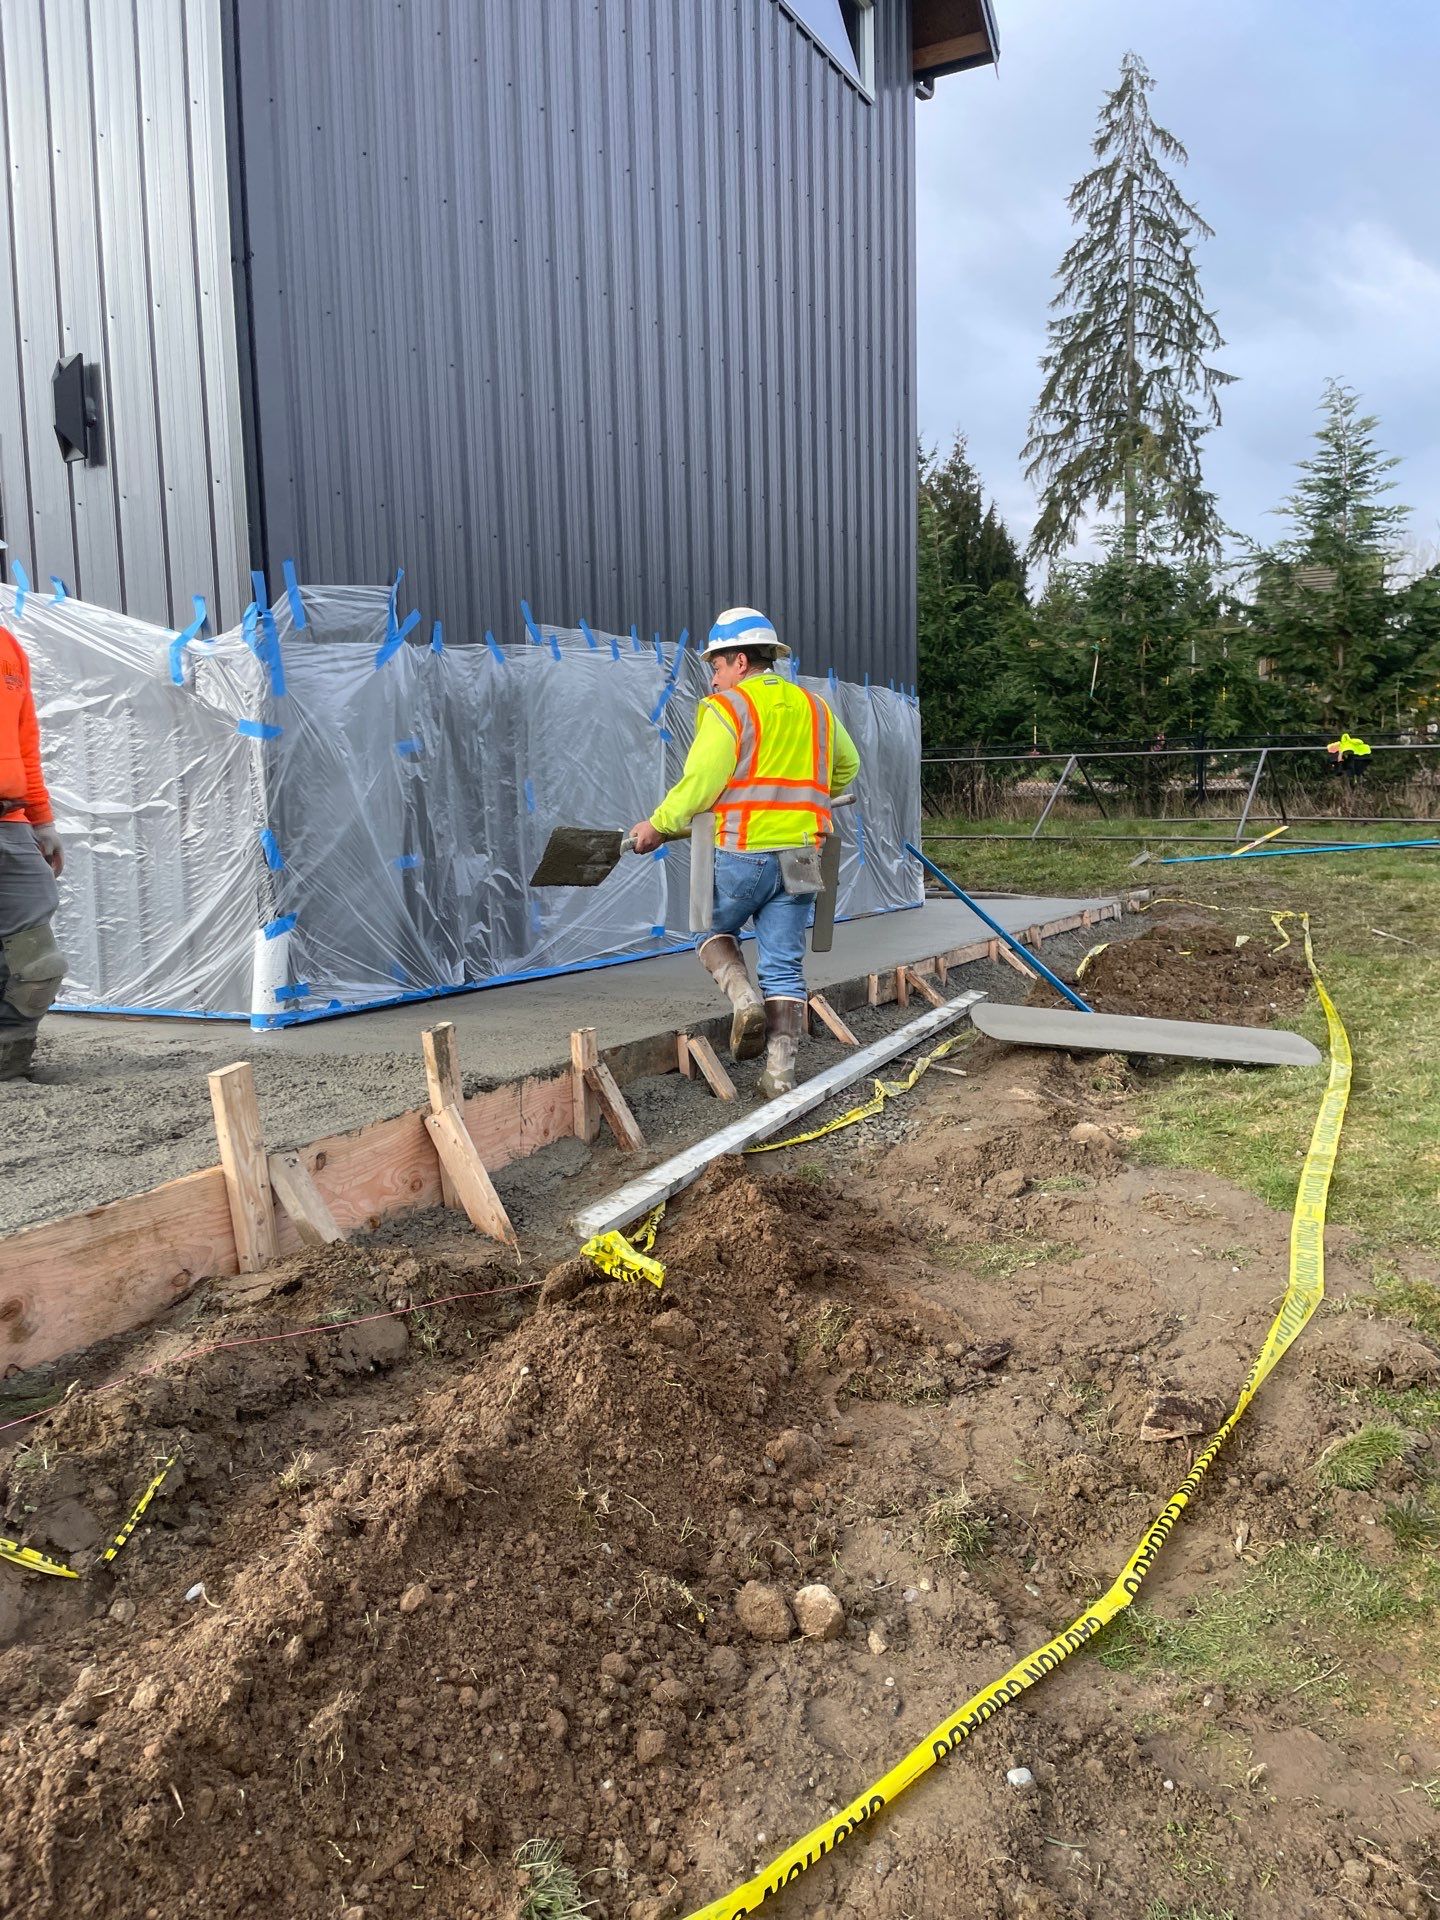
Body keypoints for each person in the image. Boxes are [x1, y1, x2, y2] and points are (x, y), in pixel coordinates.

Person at [631, 607, 859, 1099]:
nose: (712, 679)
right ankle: (780, 1072)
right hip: (804, 854)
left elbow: (700, 785)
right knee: (784, 963)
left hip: (745, 851)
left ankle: (743, 999)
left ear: (738, 660)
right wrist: (805, 796)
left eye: (715, 667)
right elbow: (846, 766)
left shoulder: (729, 709)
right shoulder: (815, 707)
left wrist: (658, 825)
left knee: (711, 930)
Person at [0, 623, 65, 1080]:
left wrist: (41, 818)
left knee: (37, 963)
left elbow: (25, 740)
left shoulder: (7, 646)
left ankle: (7, 1068)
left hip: (9, 819)